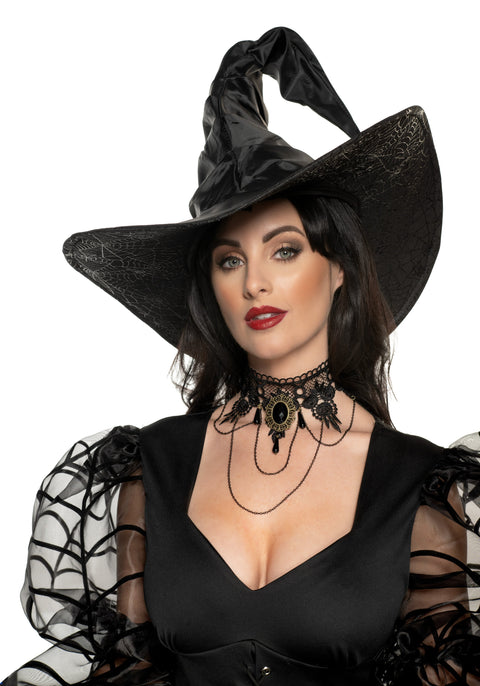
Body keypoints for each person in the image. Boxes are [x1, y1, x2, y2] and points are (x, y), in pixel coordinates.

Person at [3, 26, 479, 686]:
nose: (255, 282)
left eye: (284, 250)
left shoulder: (425, 489)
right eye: (230, 260)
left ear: (339, 267)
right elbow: (124, 669)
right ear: (212, 287)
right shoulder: (147, 469)